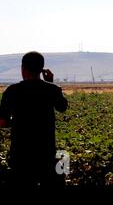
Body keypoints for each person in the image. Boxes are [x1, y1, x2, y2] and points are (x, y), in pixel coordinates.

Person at [0, 51, 68, 187]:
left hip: (20, 156)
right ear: (41, 69)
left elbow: (2, 122)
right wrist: (50, 83)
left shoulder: (12, 91)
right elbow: (62, 107)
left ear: (23, 68)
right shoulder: (52, 90)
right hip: (47, 155)